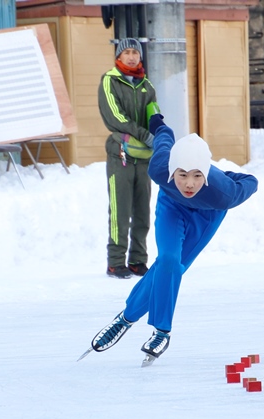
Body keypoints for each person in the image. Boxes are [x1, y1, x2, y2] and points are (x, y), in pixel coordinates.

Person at [85, 115, 258, 365]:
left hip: (207, 215)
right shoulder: (158, 167)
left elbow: (251, 182)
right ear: (171, 170)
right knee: (167, 259)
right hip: (172, 208)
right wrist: (158, 123)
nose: (189, 184)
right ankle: (161, 331)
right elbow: (164, 139)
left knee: (174, 268)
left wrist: (223, 175)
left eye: (198, 175)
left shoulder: (224, 194)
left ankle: (127, 317)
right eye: (182, 175)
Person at [98, 38, 160, 279]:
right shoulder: (109, 81)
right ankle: (115, 262)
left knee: (142, 212)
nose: (132, 56)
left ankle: (137, 260)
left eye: (135, 52)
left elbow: (153, 114)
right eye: (127, 52)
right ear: (119, 56)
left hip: (143, 156)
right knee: (120, 211)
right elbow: (115, 117)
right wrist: (146, 135)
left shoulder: (147, 85)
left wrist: (160, 132)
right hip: (120, 154)